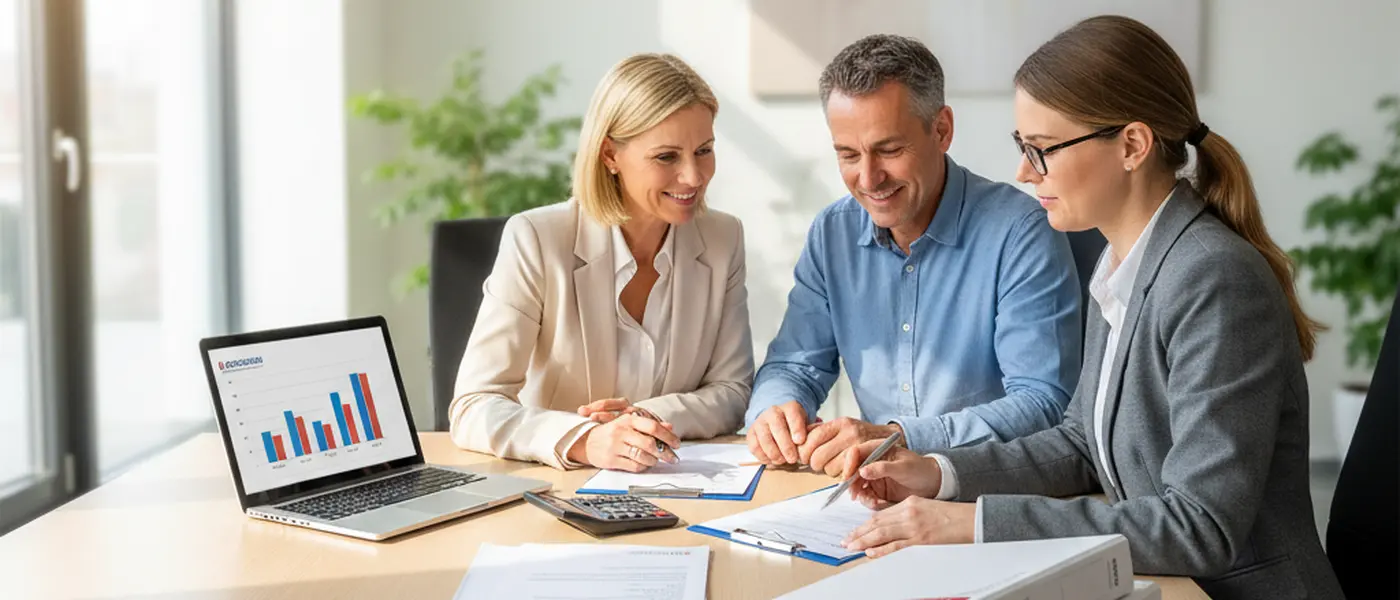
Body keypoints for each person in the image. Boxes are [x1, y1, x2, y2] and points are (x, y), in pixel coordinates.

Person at [836, 16, 1344, 600]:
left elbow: (1201, 526)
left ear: (1132, 145)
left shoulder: (1213, 279)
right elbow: (1082, 442)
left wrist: (970, 524)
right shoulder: (1119, 260)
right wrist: (940, 473)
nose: (1025, 172)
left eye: (1043, 149)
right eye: (1022, 147)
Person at [744, 34, 1083, 476]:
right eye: (847, 154)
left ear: (941, 130)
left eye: (889, 150)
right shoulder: (833, 233)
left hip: (982, 492)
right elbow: (794, 364)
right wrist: (775, 411)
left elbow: (1043, 402)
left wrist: (899, 436)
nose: (868, 178)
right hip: (868, 495)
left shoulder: (1020, 232)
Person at [448, 53, 754, 472]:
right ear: (610, 155)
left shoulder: (723, 239)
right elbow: (473, 406)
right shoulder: (537, 239)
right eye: (667, 157)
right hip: (559, 493)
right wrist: (586, 440)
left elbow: (733, 390)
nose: (694, 177)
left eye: (704, 150)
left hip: (677, 488)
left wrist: (642, 421)